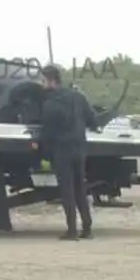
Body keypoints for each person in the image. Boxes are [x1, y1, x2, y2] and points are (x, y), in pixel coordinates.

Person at [37, 65, 100, 240]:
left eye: (43, 81)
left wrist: (43, 154)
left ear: (51, 81)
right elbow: (92, 120)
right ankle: (87, 227)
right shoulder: (78, 97)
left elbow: (47, 134)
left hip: (62, 151)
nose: (41, 85)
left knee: (67, 190)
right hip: (80, 149)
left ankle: (72, 230)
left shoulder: (50, 104)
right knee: (80, 188)